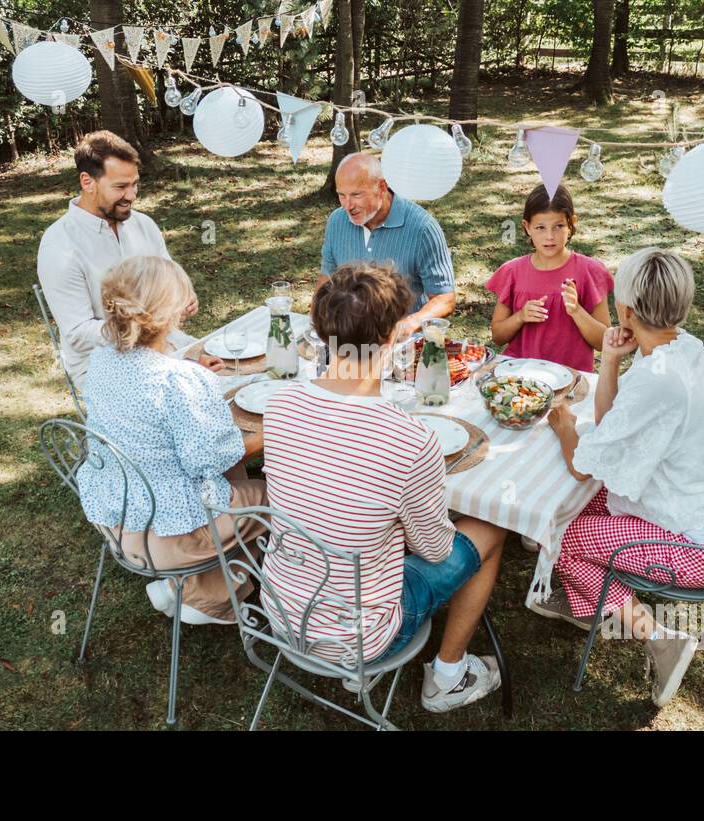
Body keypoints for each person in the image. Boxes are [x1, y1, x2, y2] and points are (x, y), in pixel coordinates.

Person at [262, 261, 508, 713]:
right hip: (361, 636)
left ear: (318, 326)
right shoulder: (411, 440)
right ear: (395, 336)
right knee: (491, 528)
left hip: (279, 611)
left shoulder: (280, 406)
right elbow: (434, 551)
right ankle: (447, 677)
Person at [542, 247, 704, 708]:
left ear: (624, 309)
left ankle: (660, 637)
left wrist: (564, 426)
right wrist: (609, 361)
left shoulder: (656, 379)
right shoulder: (685, 345)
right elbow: (611, 428)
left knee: (558, 531)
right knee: (581, 502)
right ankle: (588, 596)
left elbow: (584, 462)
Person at [76, 255, 264, 626]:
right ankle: (210, 598)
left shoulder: (100, 360)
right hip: (169, 535)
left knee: (232, 476)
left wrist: (189, 376)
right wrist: (280, 428)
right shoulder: (178, 381)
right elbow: (212, 459)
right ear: (169, 315)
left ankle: (194, 588)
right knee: (278, 495)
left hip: (117, 516)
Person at [37, 130, 219, 390]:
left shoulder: (142, 224)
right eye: (120, 187)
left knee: (229, 368)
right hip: (101, 362)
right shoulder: (59, 245)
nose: (132, 195)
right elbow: (78, 334)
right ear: (87, 182)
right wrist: (145, 329)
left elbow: (170, 276)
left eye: (134, 184)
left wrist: (184, 296)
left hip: (163, 343)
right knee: (196, 390)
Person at [318, 152, 455, 339]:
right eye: (342, 196)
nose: (347, 206)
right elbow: (326, 281)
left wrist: (408, 324)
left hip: (399, 346)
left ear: (382, 187)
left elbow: (445, 299)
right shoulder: (336, 221)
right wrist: (319, 322)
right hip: (347, 337)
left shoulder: (423, 228)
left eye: (356, 195)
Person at [487, 183, 613, 372]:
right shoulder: (512, 272)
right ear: (527, 227)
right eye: (540, 227)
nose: (549, 236)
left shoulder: (589, 272)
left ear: (572, 224)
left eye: (559, 226)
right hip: (520, 376)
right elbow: (497, 337)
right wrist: (520, 316)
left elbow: (604, 343)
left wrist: (577, 311)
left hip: (571, 379)